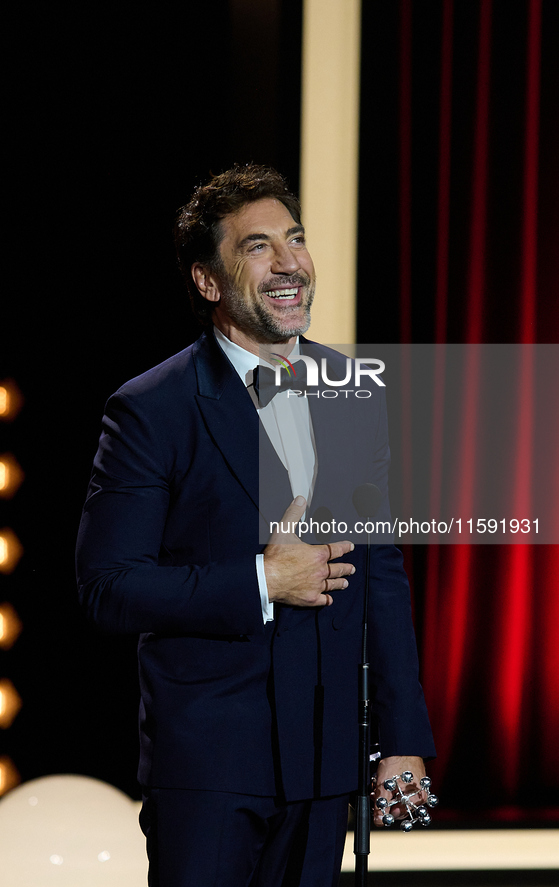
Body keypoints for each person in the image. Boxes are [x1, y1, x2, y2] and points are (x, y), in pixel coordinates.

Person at [75, 163, 436, 886]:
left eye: (293, 239)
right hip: (210, 763)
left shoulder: (351, 391)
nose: (287, 261)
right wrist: (262, 578)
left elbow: (382, 574)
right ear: (209, 282)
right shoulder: (152, 407)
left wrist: (400, 739)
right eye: (257, 246)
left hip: (325, 756)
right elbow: (108, 587)